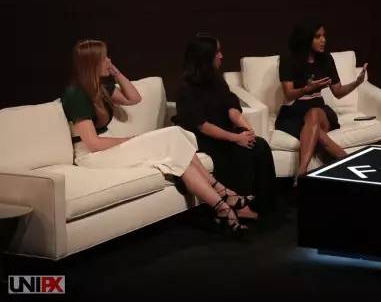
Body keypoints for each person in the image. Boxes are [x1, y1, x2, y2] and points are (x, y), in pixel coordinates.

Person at [61, 39, 248, 235]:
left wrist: (116, 72)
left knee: (178, 152)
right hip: (92, 156)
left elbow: (134, 98)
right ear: (92, 63)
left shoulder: (101, 87)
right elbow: (92, 143)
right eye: (104, 58)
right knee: (173, 136)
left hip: (106, 147)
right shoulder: (76, 94)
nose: (109, 61)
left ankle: (222, 208)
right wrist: (130, 140)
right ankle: (223, 192)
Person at [175, 34, 276, 218]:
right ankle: (239, 205)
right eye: (217, 52)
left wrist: (247, 130)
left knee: (259, 145)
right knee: (237, 151)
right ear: (206, 57)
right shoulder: (186, 89)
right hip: (203, 138)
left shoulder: (217, 80)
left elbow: (232, 109)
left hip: (225, 131)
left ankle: (264, 201)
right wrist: (236, 138)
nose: (221, 56)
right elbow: (202, 126)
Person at [276, 22, 367, 184]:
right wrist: (306, 89)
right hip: (294, 113)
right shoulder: (288, 59)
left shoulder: (326, 58)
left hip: (320, 110)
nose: (323, 40)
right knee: (315, 131)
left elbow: (338, 92)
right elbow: (289, 95)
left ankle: (301, 174)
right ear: (306, 38)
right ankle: (349, 162)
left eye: (324, 36)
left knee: (314, 113)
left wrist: (356, 83)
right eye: (318, 37)